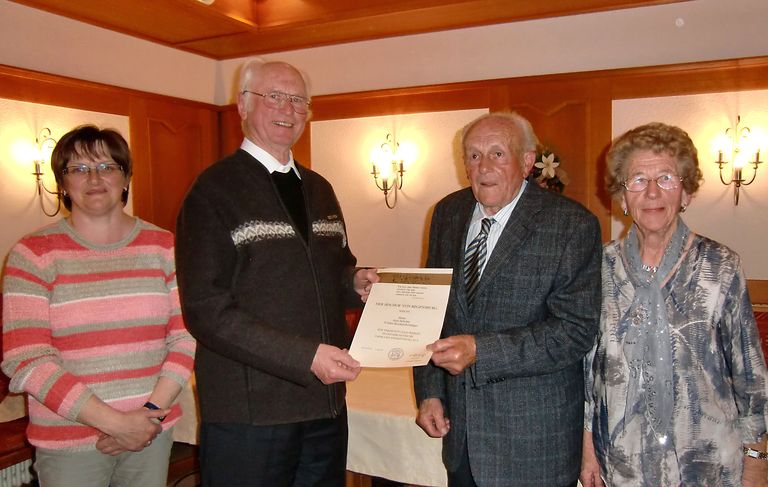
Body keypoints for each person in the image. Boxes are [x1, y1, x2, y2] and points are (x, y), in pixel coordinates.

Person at [175, 59, 378, 486]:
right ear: (243, 105)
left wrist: (354, 283)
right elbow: (206, 310)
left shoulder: (320, 188)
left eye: (298, 100)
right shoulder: (213, 191)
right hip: (251, 414)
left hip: (324, 405)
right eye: (274, 96)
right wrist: (305, 357)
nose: (288, 109)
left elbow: (333, 270)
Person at [414, 112, 602, 486]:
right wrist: (430, 392)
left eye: (498, 154)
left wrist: (481, 351)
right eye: (473, 155)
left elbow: (575, 332)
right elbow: (432, 311)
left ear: (527, 162)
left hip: (533, 443)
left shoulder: (571, 224)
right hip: (462, 436)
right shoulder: (448, 213)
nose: (484, 166)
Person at [1, 125, 196, 487]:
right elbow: (26, 359)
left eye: (107, 166)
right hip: (68, 442)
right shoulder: (33, 254)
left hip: (150, 434)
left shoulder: (164, 247)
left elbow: (186, 338)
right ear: (62, 182)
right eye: (79, 168)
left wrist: (149, 415)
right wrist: (117, 423)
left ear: (126, 178)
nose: (94, 178)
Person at [580, 122, 768, 486]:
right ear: (622, 198)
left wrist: (758, 460)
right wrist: (588, 446)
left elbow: (751, 376)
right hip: (623, 462)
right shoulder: (600, 267)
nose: (652, 192)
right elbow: (590, 370)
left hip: (707, 463)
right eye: (638, 180)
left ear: (686, 193)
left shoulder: (720, 265)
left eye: (666, 178)